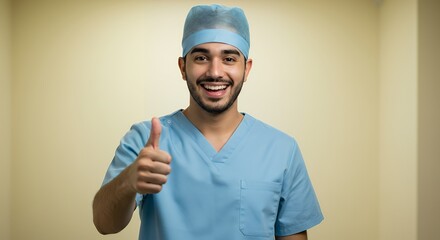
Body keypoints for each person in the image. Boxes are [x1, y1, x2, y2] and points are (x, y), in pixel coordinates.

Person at [93, 4, 323, 240]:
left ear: (246, 69)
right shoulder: (145, 140)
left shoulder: (281, 150)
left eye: (229, 58)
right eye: (201, 57)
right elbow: (103, 223)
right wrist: (128, 181)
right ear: (183, 67)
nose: (215, 72)